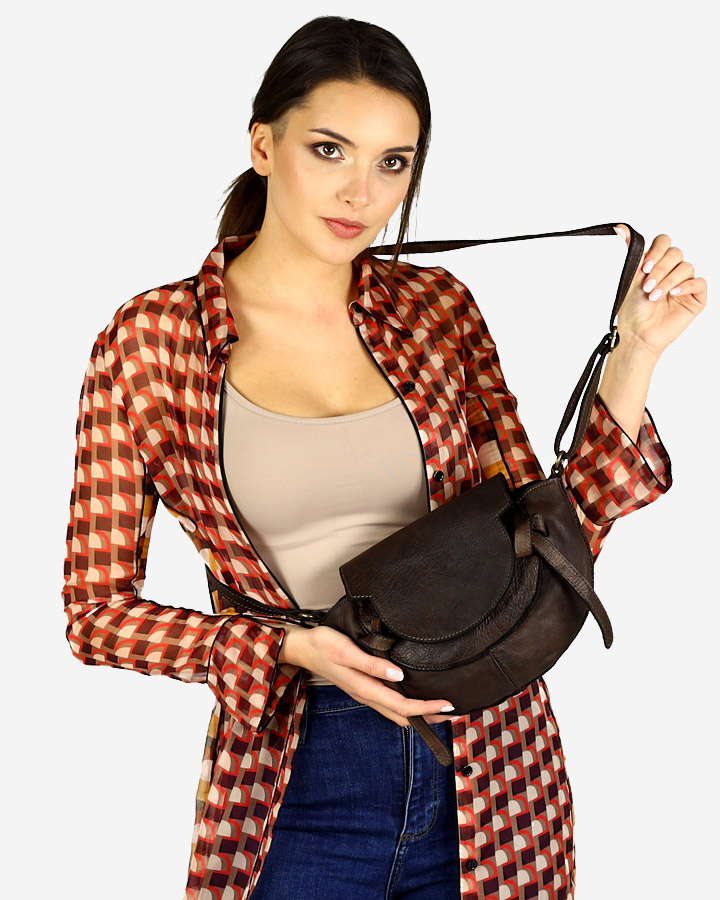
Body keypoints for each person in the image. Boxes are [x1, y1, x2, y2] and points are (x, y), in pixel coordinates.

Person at [61, 15, 705, 900]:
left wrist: (634, 354)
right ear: (263, 145)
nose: (360, 192)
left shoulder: (438, 310)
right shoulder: (151, 343)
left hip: (495, 764)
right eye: (329, 149)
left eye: (392, 162)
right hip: (295, 774)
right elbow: (96, 614)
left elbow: (552, 540)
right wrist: (288, 648)